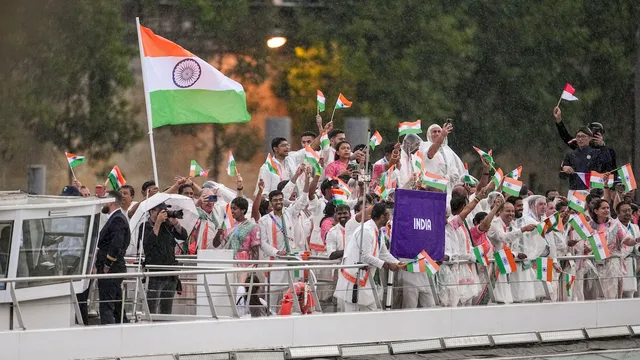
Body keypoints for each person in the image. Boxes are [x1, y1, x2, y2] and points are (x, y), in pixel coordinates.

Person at [334, 202, 405, 312]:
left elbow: (383, 253)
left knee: (371, 316)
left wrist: (398, 263)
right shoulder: (366, 231)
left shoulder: (378, 231)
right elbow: (365, 256)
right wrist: (386, 265)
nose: (389, 216)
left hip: (365, 281)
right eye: (387, 214)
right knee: (352, 320)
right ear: (382, 217)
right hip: (354, 281)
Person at [259, 169, 311, 308]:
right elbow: (263, 243)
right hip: (276, 261)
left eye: (280, 200)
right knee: (272, 296)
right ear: (270, 202)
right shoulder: (264, 220)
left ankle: (291, 317)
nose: (278, 202)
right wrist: (276, 252)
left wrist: (306, 180)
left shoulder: (290, 213)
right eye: (275, 200)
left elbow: (303, 200)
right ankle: (270, 318)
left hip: (291, 259)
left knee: (291, 294)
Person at [486, 202, 537, 304]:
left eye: (513, 211)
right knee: (497, 298)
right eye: (508, 211)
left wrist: (516, 254)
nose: (511, 213)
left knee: (507, 299)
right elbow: (504, 238)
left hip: (505, 264)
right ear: (500, 211)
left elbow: (511, 245)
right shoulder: (495, 223)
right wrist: (524, 229)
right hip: (495, 265)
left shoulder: (512, 225)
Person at [142, 203, 188, 314]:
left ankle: (165, 328)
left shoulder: (167, 226)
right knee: (151, 308)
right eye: (160, 210)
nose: (163, 212)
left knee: (166, 309)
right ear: (152, 211)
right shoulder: (145, 226)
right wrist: (157, 222)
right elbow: (148, 244)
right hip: (155, 274)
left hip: (170, 273)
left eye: (165, 210)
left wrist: (176, 223)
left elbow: (183, 236)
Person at [588, 199, 635, 299]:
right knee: (596, 295)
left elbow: (627, 240)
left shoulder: (615, 225)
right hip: (594, 264)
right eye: (603, 208)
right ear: (596, 211)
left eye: (608, 208)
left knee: (613, 294)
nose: (606, 210)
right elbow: (583, 243)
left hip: (613, 263)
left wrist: (637, 240)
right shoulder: (589, 226)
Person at [95, 190, 130, 324]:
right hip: (113, 268)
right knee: (116, 304)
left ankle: (108, 333)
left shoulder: (117, 219)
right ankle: (123, 327)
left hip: (111, 269)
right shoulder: (116, 218)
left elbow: (117, 244)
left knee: (107, 305)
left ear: (110, 201)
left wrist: (107, 264)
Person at [552, 106, 617, 172]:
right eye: (591, 133)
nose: (581, 139)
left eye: (598, 133)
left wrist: (602, 146)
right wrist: (559, 121)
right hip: (582, 179)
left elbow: (612, 168)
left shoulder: (609, 150)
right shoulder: (581, 144)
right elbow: (565, 137)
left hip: (599, 180)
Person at [420, 122, 465, 195]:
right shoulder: (426, 147)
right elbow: (431, 153)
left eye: (439, 131)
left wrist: (447, 178)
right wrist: (442, 135)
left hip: (448, 191)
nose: (437, 134)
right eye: (434, 132)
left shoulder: (449, 152)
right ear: (429, 135)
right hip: (432, 190)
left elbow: (455, 173)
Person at [213, 197, 260, 262]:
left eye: (234, 208)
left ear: (243, 210)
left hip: (243, 263)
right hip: (227, 261)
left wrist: (253, 267)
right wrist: (218, 234)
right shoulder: (227, 225)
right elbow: (215, 245)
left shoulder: (252, 227)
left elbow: (255, 249)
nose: (232, 211)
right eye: (231, 208)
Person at [615, 201, 639, 298]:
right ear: (618, 212)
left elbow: (637, 246)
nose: (628, 213)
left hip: (630, 262)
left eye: (629, 210)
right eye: (624, 211)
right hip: (616, 262)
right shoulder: (612, 225)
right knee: (616, 293)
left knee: (630, 293)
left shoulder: (635, 227)